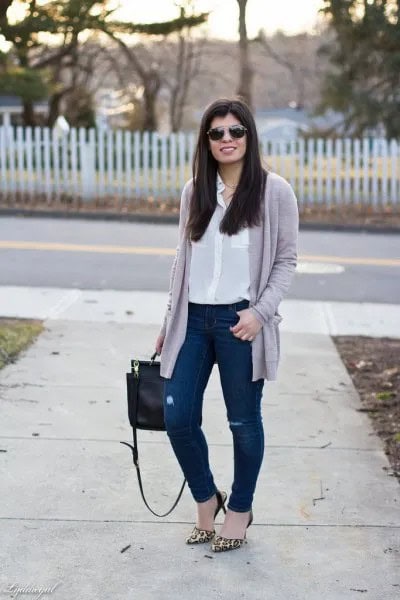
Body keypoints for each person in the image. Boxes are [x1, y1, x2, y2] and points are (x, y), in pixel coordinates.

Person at [155, 97, 298, 553]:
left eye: (236, 131)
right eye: (216, 133)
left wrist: (261, 313)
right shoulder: (193, 190)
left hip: (241, 322)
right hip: (192, 320)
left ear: (249, 136)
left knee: (242, 422)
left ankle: (239, 509)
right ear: (206, 141)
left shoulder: (274, 191)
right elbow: (183, 259)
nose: (227, 139)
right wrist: (168, 320)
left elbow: (286, 260)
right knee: (177, 417)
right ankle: (206, 500)